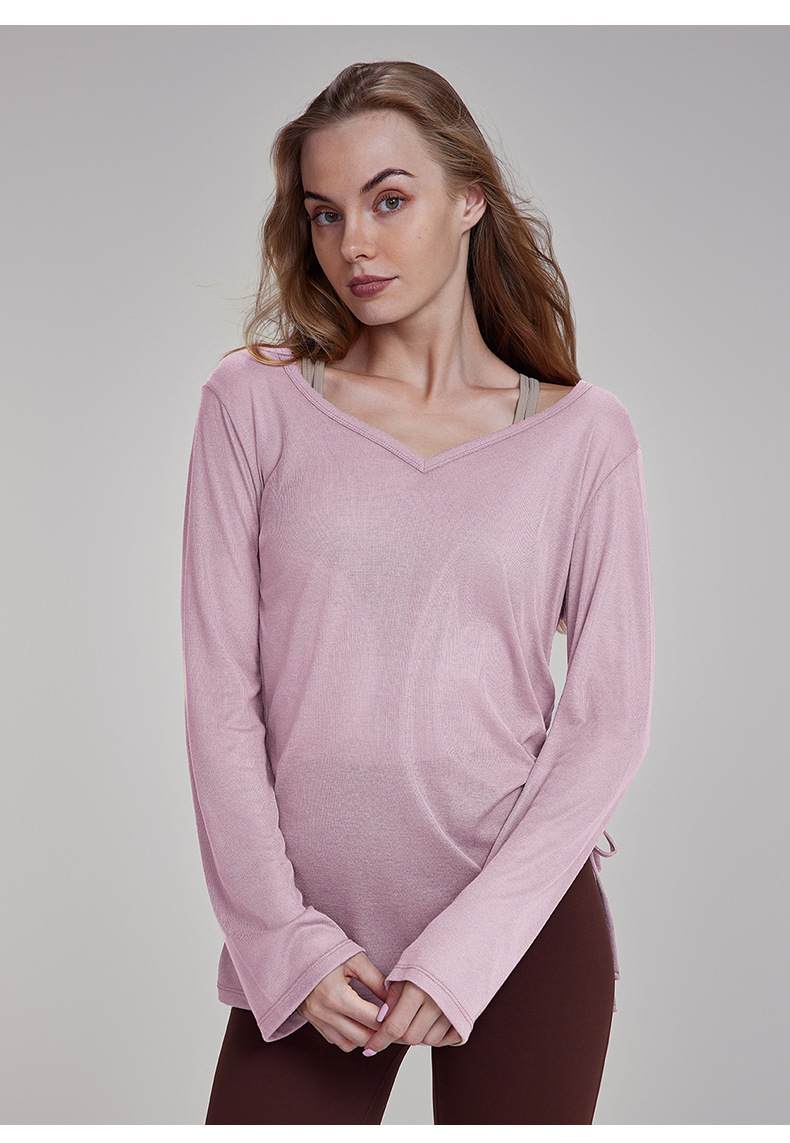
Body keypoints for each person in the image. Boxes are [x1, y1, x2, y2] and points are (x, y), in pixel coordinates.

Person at [180, 60, 655, 1125]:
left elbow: (607, 721)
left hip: (519, 929)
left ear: (469, 199)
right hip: (315, 948)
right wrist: (285, 942)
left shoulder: (585, 437)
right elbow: (219, 700)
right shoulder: (252, 405)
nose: (353, 242)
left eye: (388, 200)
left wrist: (469, 950)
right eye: (326, 213)